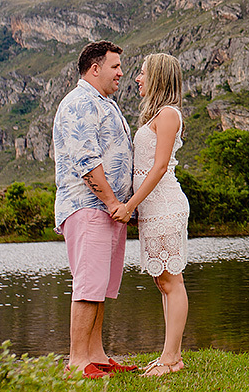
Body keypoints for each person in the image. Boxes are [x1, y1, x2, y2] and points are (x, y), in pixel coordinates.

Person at [52, 40, 137, 379]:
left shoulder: (105, 104)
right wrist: (113, 201)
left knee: (101, 285)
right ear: (95, 68)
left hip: (108, 210)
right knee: (89, 284)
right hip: (89, 207)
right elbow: (86, 159)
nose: (121, 72)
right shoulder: (79, 103)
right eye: (115, 66)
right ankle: (76, 361)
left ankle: (96, 354)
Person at [113, 52, 190, 377]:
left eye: (143, 73)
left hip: (165, 206)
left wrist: (129, 206)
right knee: (164, 282)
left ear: (157, 77)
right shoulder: (156, 115)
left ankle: (172, 358)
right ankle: (167, 355)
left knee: (172, 281)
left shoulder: (169, 114)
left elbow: (159, 168)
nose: (137, 78)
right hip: (152, 209)